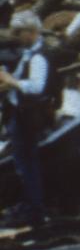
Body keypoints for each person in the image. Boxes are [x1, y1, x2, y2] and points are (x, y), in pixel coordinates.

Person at [1, 12, 54, 229]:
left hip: (27, 117)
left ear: (31, 33)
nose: (16, 37)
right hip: (19, 113)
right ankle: (31, 207)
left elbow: (36, 87)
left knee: (28, 164)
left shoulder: (38, 57)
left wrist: (11, 81)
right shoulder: (28, 54)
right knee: (25, 164)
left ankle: (35, 211)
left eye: (19, 32)